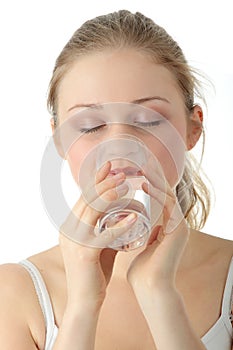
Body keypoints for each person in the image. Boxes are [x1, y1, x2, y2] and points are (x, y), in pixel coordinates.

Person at [0, 9, 232, 350]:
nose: (121, 150)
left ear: (192, 128)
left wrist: (160, 294)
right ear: (60, 139)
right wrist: (82, 306)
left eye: (148, 120)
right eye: (91, 125)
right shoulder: (16, 293)